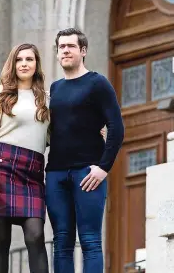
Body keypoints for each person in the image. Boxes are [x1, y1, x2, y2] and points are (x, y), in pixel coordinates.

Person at [45, 27, 125, 273]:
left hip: (87, 173)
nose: (65, 50)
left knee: (90, 240)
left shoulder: (97, 83)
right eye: (61, 47)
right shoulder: (54, 89)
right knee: (61, 242)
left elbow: (116, 127)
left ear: (83, 50)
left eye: (70, 46)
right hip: (56, 174)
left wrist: (103, 168)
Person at [0, 43, 50, 273]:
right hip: (2, 169)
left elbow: (54, 136)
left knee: (36, 236)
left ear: (36, 65)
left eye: (29, 59)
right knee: (0, 241)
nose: (24, 64)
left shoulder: (46, 99)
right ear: (13, 64)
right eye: (19, 59)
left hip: (33, 174)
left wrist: (94, 131)